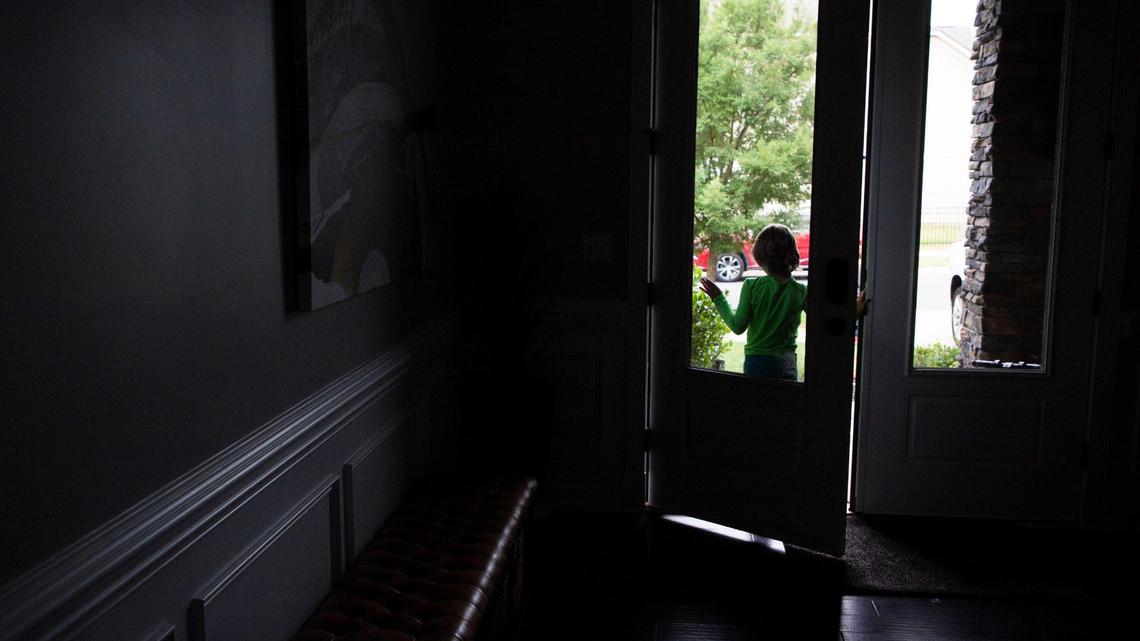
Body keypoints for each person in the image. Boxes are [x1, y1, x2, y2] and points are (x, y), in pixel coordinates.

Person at [699, 224, 807, 380]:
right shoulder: (801, 291)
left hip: (757, 362)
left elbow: (737, 327)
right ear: (793, 254)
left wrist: (718, 298)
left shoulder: (752, 286)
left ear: (760, 256)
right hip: (786, 362)